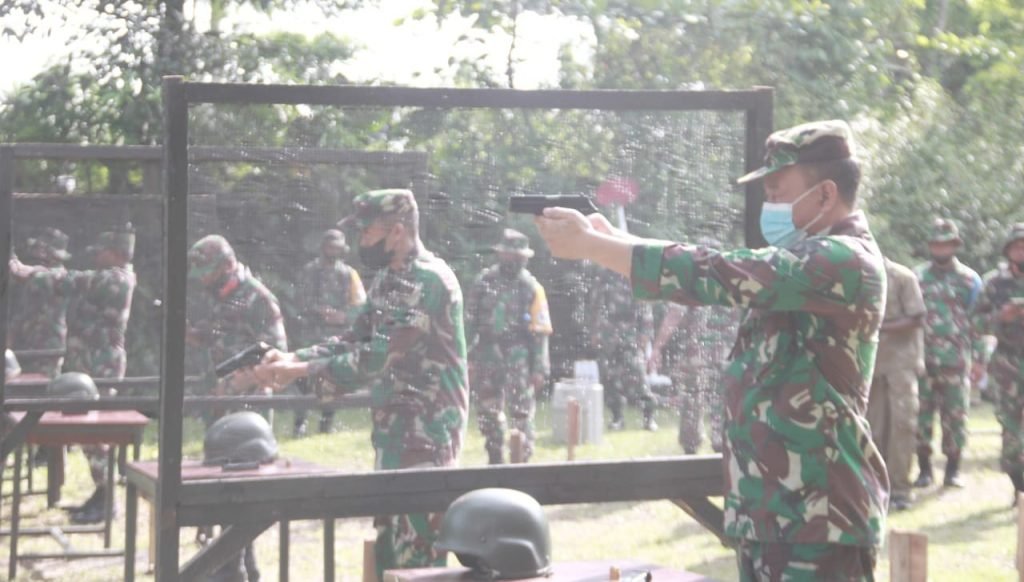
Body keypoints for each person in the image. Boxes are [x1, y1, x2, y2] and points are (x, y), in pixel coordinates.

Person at [533, 120, 888, 580]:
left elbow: (719, 271)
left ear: (824, 195)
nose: (769, 206)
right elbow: (714, 269)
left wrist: (597, 247)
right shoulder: (808, 266)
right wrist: (613, 241)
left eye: (778, 193)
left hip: (819, 521)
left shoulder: (842, 260)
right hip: (780, 515)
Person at [237, 189, 468, 577]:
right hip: (397, 435)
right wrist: (293, 358)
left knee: (418, 560)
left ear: (397, 232)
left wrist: (300, 372)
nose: (360, 241)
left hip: (426, 437)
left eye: (366, 231)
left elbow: (374, 358)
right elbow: (354, 338)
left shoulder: (425, 281)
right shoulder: (390, 280)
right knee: (389, 555)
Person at [10, 226, 138, 523]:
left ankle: (107, 500)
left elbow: (71, 280)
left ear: (117, 251)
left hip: (102, 365)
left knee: (93, 434)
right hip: (89, 363)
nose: (97, 255)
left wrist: (27, 272)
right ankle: (101, 495)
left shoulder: (118, 279)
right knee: (85, 432)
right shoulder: (111, 276)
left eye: (103, 250)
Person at [466, 228, 552, 464]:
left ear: (525, 258)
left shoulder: (532, 287)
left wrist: (539, 368)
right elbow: (470, 322)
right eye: (508, 254)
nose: (512, 259)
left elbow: (541, 331)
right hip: (487, 353)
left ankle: (522, 458)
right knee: (487, 407)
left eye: (517, 255)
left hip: (519, 354)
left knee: (522, 410)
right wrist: (468, 358)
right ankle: (494, 455)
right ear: (500, 254)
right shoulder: (484, 282)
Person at [913, 218, 983, 489]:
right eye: (936, 244)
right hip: (922, 361)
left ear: (954, 245)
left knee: (955, 418)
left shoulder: (970, 279)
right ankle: (924, 470)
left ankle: (953, 471)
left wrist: (979, 360)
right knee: (921, 418)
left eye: (946, 244)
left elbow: (977, 323)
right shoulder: (916, 277)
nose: (940, 248)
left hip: (956, 361)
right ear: (930, 246)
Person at [186, 234, 288, 402]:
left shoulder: (258, 297)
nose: (204, 279)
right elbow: (223, 338)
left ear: (227, 265)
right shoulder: (217, 295)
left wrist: (231, 385)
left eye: (208, 272)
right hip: (216, 395)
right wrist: (193, 335)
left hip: (249, 400)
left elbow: (276, 353)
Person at [292, 229, 366, 436]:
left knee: (331, 380)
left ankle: (326, 425)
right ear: (323, 247)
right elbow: (298, 301)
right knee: (303, 380)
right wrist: (318, 311)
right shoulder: (309, 271)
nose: (333, 251)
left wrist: (343, 316)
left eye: (337, 247)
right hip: (310, 333)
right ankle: (300, 424)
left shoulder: (349, 274)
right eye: (330, 246)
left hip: (336, 336)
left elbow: (360, 306)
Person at [866, 257, 925, 511]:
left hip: (901, 363)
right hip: (873, 365)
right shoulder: (861, 274)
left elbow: (916, 318)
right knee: (874, 428)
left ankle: (900, 489)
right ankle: (875, 487)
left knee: (902, 425)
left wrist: (878, 326)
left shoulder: (902, 276)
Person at [973, 223, 1024, 505]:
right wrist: (1000, 318)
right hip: (1008, 363)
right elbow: (974, 323)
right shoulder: (994, 283)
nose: (1022, 251)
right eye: (1017, 246)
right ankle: (1018, 487)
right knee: (1011, 430)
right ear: (1008, 251)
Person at [650, 299, 739, 454]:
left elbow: (675, 314)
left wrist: (658, 347)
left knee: (693, 403)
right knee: (720, 405)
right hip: (726, 355)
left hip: (700, 355)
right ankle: (718, 447)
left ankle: (693, 450)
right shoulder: (737, 276)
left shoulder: (692, 276)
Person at [582, 261, 658, 431]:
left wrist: (644, 335)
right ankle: (617, 417)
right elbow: (594, 305)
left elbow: (645, 308)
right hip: (607, 334)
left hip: (629, 333)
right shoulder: (603, 275)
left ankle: (649, 417)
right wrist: (593, 332)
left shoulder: (636, 275)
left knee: (638, 377)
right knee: (608, 378)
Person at [8, 227, 74, 377]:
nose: (35, 251)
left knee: (41, 385)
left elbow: (19, 272)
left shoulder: (55, 276)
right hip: (28, 342)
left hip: (46, 347)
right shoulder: (44, 272)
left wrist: (9, 255)